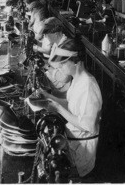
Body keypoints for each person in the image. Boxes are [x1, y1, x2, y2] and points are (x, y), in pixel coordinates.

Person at [41, 38, 102, 178]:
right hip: (72, 142)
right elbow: (70, 104)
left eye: (63, 63)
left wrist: (58, 108)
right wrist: (48, 97)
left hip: (83, 150)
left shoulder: (88, 86)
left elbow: (87, 125)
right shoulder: (77, 79)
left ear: (76, 61)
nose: (60, 67)